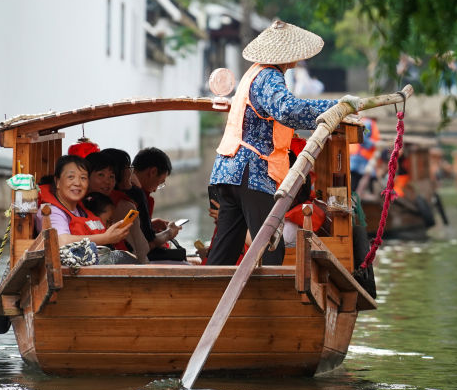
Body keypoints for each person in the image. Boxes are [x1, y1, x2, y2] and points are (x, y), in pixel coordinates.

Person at [207, 19, 355, 266]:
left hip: (228, 172)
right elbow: (288, 110)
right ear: (289, 56)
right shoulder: (269, 76)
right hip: (251, 173)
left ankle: (206, 299)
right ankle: (263, 305)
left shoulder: (253, 73)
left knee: (225, 251)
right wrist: (339, 107)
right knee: (270, 249)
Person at [36, 155, 134, 247]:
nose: (78, 183)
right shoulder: (51, 211)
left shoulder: (82, 209)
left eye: (83, 178)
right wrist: (105, 238)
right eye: (71, 177)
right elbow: (61, 241)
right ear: (57, 182)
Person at [128, 147, 183, 261]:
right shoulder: (136, 195)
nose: (155, 190)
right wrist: (169, 232)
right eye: (160, 183)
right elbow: (148, 242)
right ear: (152, 172)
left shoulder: (132, 192)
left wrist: (150, 224)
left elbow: (133, 229)